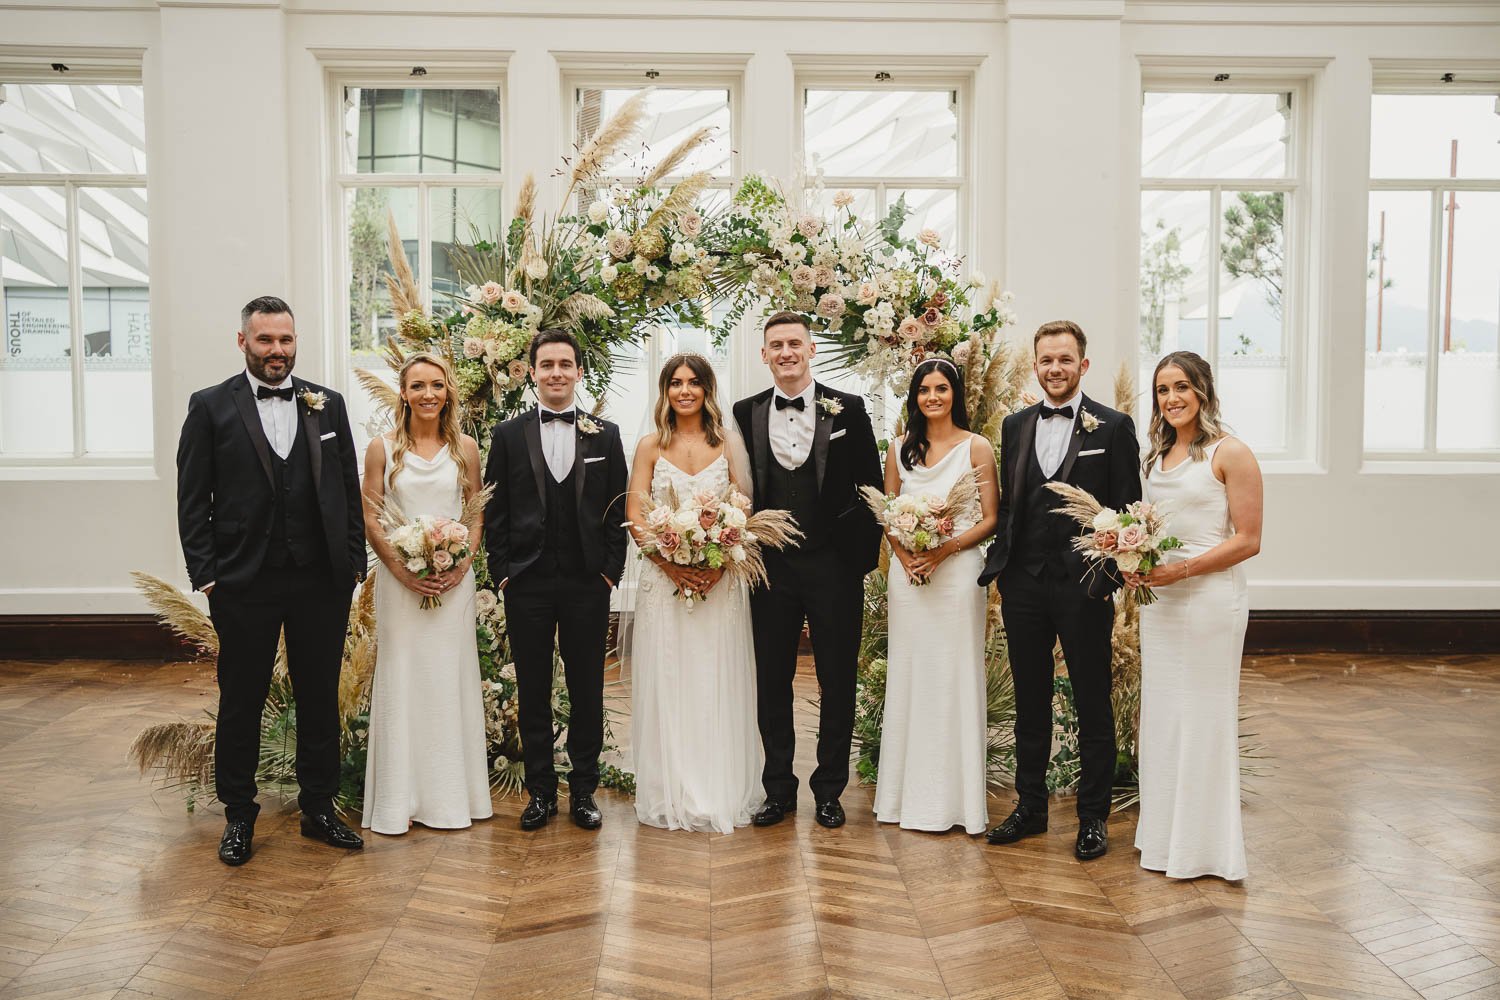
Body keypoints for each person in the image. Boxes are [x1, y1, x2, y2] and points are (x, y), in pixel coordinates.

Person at [175, 295, 366, 866]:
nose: (277, 350)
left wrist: (353, 565)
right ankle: (238, 815)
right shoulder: (210, 407)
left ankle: (319, 809)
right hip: (243, 581)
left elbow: (346, 488)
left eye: (285, 340)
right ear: (243, 343)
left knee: (318, 698)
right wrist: (207, 576)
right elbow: (192, 500)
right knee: (242, 700)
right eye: (265, 340)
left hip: (320, 581)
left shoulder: (325, 404)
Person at [978, 320, 1141, 861]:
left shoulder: (1113, 428)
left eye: (1065, 360)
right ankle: (1030, 808)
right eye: (1046, 359)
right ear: (1036, 364)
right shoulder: (1015, 424)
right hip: (1023, 583)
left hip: (1084, 587)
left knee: (1092, 701)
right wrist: (1005, 571)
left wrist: (1104, 581)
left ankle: (1092, 818)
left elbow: (1128, 510)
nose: (1055, 368)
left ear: (1083, 365)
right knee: (1030, 700)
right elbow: (1014, 503)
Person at [732, 311, 883, 830]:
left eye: (795, 343)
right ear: (764, 354)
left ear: (811, 349)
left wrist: (857, 560)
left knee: (836, 679)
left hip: (834, 566)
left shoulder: (850, 408)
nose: (786, 353)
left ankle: (829, 791)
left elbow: (871, 487)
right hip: (770, 569)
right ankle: (778, 790)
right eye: (776, 345)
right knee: (771, 679)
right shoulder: (744, 411)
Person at [482, 329, 628, 831]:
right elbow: (494, 510)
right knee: (533, 688)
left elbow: (618, 509)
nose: (557, 373)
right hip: (527, 582)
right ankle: (541, 791)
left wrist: (611, 571)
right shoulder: (507, 435)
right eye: (547, 365)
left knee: (588, 688)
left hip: (589, 581)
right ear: (532, 373)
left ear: (579, 372)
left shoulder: (604, 434)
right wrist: (501, 574)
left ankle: (583, 790)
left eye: (566, 364)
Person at [1127, 351, 1262, 881]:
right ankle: (1164, 839)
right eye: (1162, 390)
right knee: (1164, 715)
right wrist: (1136, 560)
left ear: (1203, 390)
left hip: (1209, 602)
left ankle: (1206, 849)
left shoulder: (1232, 453)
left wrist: (1179, 573)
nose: (1172, 398)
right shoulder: (1154, 455)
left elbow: (1249, 540)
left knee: (1204, 715)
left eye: (1181, 387)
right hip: (1161, 603)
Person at [625, 354, 764, 833]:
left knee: (714, 676)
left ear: (707, 390)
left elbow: (744, 512)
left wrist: (718, 565)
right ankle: (671, 787)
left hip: (720, 587)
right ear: (665, 392)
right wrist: (669, 564)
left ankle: (718, 785)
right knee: (670, 676)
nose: (685, 391)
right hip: (664, 587)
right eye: (676, 383)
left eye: (694, 383)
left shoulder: (728, 445)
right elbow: (636, 516)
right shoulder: (648, 446)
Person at [360, 352, 493, 835]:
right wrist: (401, 567)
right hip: (400, 584)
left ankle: (454, 797)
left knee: (448, 679)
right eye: (418, 386)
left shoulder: (466, 448)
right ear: (403, 392)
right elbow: (372, 517)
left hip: (454, 584)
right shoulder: (383, 448)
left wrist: (461, 565)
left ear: (448, 391)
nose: (428, 394)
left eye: (437, 385)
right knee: (404, 678)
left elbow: (475, 513)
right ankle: (399, 800)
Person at [875, 358, 999, 835]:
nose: (933, 397)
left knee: (954, 674)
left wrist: (945, 549)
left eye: (942, 388)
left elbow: (990, 517)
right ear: (915, 396)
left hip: (957, 574)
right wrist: (905, 557)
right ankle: (902, 799)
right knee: (910, 674)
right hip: (910, 578)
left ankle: (956, 803)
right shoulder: (898, 449)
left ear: (956, 393)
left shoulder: (977, 447)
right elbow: (887, 513)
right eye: (925, 389)